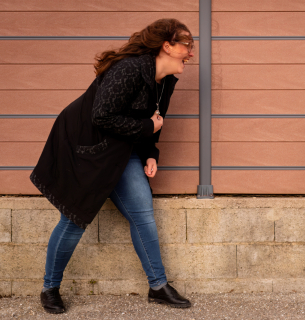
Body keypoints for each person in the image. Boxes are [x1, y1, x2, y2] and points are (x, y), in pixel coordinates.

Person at [30, 19, 195, 314]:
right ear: (166, 46)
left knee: (142, 213)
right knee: (74, 219)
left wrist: (150, 153)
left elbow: (153, 122)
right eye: (187, 45)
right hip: (88, 149)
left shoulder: (164, 82)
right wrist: (147, 127)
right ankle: (50, 288)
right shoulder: (129, 69)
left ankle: (158, 286)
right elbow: (101, 116)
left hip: (122, 150)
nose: (191, 53)